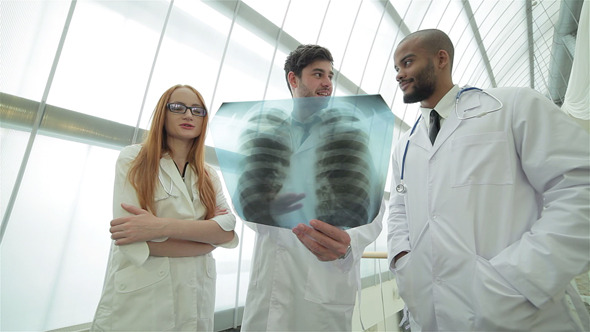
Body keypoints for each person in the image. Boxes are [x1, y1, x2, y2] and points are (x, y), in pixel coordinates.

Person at [387, 29, 590, 331]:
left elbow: (579, 185)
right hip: (430, 309)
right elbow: (400, 209)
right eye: (396, 69)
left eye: (407, 63)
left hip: (517, 310)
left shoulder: (512, 106)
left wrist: (523, 276)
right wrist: (403, 260)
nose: (399, 75)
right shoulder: (405, 145)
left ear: (441, 58)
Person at [239, 45, 385, 331]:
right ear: (294, 80)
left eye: (330, 75)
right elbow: (246, 203)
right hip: (270, 279)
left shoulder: (351, 137)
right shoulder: (265, 136)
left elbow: (375, 209)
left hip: (324, 276)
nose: (328, 83)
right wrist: (266, 208)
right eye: (318, 74)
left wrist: (349, 243)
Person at [91, 84, 238, 331]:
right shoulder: (133, 160)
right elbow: (133, 240)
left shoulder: (208, 175)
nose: (188, 115)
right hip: (143, 299)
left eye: (197, 110)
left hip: (195, 293)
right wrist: (205, 240)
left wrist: (159, 226)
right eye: (178, 107)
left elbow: (227, 231)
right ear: (163, 113)